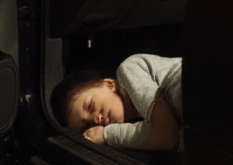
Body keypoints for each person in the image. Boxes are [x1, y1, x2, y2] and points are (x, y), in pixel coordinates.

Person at [50, 54, 182, 152]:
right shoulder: (138, 123)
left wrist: (105, 135)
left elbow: (166, 135)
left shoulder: (128, 70)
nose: (96, 120)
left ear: (109, 84)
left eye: (90, 106)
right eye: (87, 125)